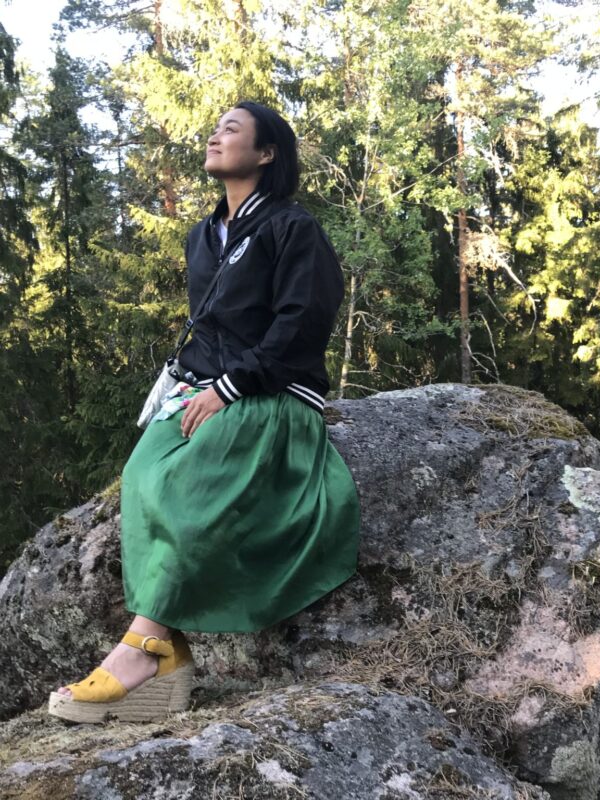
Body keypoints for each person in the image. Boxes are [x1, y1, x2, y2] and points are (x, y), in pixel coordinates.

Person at [48, 101, 361, 724]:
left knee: (189, 490)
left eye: (231, 130)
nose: (215, 136)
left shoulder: (292, 227)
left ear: (266, 153)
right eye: (214, 127)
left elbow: (303, 320)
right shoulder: (204, 234)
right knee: (144, 476)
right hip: (204, 390)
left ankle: (143, 649)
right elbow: (213, 329)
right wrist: (195, 383)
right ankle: (168, 658)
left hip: (270, 396)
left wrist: (234, 384)